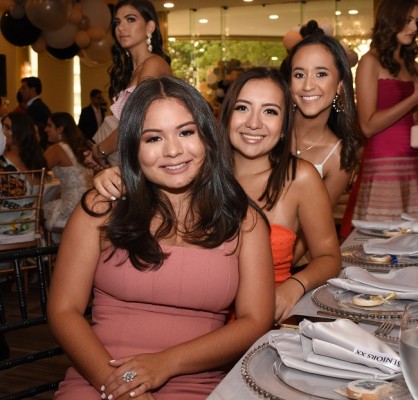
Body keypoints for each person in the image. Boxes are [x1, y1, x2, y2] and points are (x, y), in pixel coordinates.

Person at [47, 76, 275, 399]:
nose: (172, 151)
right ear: (132, 147)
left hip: (197, 379)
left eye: (186, 132)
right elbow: (63, 310)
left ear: (207, 137)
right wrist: (123, 385)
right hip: (100, 374)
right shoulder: (102, 208)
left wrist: (165, 364)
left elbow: (255, 320)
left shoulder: (242, 220)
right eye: (153, 138)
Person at [92, 68, 341, 323]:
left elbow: (330, 257)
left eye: (270, 111)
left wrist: (295, 286)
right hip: (196, 322)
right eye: (242, 108)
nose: (254, 123)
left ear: (285, 124)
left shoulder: (300, 178)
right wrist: (115, 177)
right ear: (224, 115)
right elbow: (150, 172)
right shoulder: (192, 170)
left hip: (267, 319)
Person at [281, 33, 362, 261]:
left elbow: (309, 233)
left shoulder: (338, 158)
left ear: (339, 85)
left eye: (321, 74)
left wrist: (276, 275)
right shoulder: (265, 131)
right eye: (299, 74)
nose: (308, 85)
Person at [350, 0, 418, 222]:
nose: (414, 27)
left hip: (411, 161)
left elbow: (413, 119)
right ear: (391, 20)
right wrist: (414, 99)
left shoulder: (412, 65)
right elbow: (367, 126)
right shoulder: (370, 61)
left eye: (417, 21)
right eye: (408, 20)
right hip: (384, 164)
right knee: (381, 243)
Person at [87, 0, 172, 169]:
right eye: (117, 22)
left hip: (142, 160)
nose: (121, 27)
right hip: (124, 157)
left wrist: (101, 150)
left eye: (131, 19)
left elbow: (137, 119)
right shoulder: (131, 72)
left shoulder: (154, 63)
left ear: (149, 27)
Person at [43, 112, 93, 232]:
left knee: (39, 214)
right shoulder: (81, 146)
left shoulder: (57, 149)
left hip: (73, 206)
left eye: (49, 126)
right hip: (89, 202)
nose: (45, 129)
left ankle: (48, 249)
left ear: (60, 129)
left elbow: (37, 172)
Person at [20, 76, 51, 151]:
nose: (21, 91)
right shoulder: (39, 105)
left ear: (32, 90)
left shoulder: (35, 108)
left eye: (24, 88)